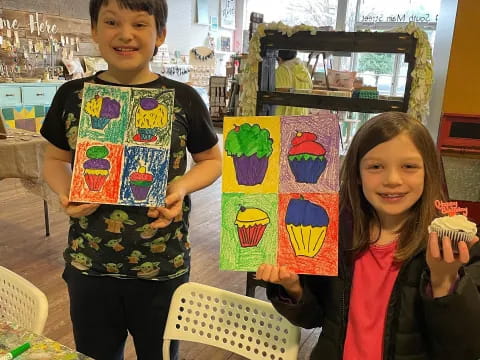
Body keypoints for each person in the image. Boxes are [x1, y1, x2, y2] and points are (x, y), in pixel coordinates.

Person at [40, 0, 222, 359]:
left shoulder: (183, 98)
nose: (125, 34)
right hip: (89, 262)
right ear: (94, 30)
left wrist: (180, 187)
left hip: (162, 264)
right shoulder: (72, 96)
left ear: (160, 35)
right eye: (111, 22)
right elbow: (54, 159)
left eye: (140, 24)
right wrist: (65, 193)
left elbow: (211, 160)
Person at [256, 112, 480, 360]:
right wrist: (293, 287)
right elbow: (314, 317)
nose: (392, 180)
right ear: (357, 175)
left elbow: (465, 348)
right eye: (375, 167)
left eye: (409, 166)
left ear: (428, 172)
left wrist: (444, 281)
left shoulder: (457, 247)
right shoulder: (336, 233)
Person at [274, 49, 313, 116]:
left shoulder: (282, 70)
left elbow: (275, 96)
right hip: (301, 116)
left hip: (283, 117)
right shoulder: (305, 71)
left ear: (279, 58)